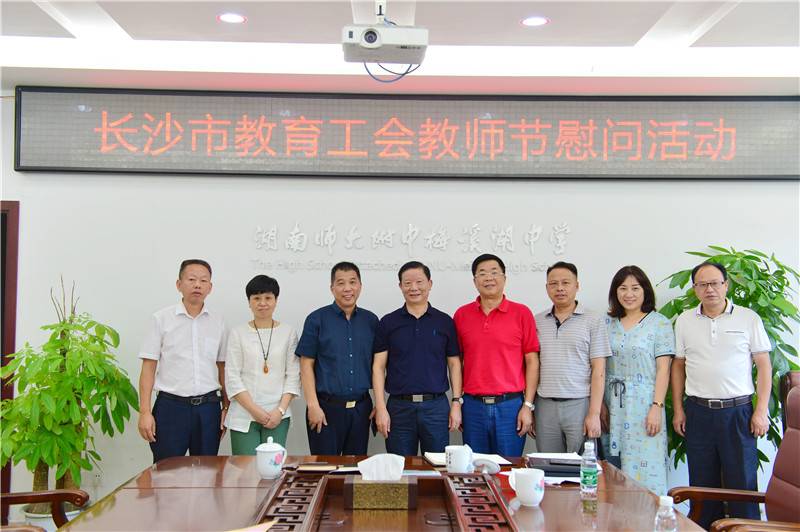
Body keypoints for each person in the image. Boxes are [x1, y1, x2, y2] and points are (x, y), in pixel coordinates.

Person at [671, 261, 772, 529]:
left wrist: (761, 411)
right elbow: (678, 365)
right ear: (695, 289)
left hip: (738, 413)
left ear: (726, 285)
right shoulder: (684, 321)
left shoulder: (748, 318)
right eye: (702, 284)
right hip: (698, 412)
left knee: (743, 487)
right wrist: (679, 409)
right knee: (702, 489)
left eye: (715, 283)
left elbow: (763, 365)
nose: (710, 289)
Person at [137, 259, 228, 462]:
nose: (197, 285)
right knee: (166, 472)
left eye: (203, 280)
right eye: (191, 279)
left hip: (208, 409)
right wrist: (145, 412)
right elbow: (148, 368)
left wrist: (226, 407)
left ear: (210, 287)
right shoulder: (161, 319)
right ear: (179, 284)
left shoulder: (219, 321)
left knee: (207, 471)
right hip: (171, 407)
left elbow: (222, 367)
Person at [372, 261, 462, 456]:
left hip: (436, 407)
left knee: (437, 465)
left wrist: (456, 402)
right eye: (407, 283)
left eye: (419, 282)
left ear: (430, 284)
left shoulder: (444, 321)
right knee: (400, 466)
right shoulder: (388, 322)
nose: (414, 288)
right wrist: (380, 407)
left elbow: (454, 364)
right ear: (400, 286)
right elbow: (378, 367)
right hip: (399, 407)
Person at [453, 254, 539, 456]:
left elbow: (532, 362)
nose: (488, 278)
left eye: (494, 272)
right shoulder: (462, 315)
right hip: (473, 407)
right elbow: (456, 362)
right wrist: (457, 402)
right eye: (482, 274)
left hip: (511, 406)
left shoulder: (522, 313)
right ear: (475, 281)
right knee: (475, 468)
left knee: (508, 466)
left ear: (504, 278)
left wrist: (528, 405)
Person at [600, 265, 673, 495]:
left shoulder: (659, 323)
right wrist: (600, 404)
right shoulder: (606, 323)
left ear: (645, 291)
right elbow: (599, 367)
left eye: (635, 288)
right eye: (623, 288)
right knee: (613, 468)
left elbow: (664, 369)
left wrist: (656, 407)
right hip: (612, 404)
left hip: (645, 404)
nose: (628, 294)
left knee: (645, 468)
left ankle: (648, 514)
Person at [296, 262, 378, 455]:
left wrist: (378, 404)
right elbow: (306, 365)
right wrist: (312, 405)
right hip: (325, 409)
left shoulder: (371, 321)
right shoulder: (316, 319)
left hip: (361, 409)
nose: (347, 288)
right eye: (341, 283)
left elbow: (378, 367)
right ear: (332, 288)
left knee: (355, 468)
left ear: (360, 286)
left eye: (352, 282)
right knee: (325, 467)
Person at [535, 261, 611, 454]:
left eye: (566, 283)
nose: (559, 288)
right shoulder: (537, 321)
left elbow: (599, 370)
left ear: (577, 286)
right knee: (548, 464)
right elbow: (532, 365)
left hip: (579, 404)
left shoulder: (593, 320)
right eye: (553, 284)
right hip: (545, 405)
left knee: (582, 465)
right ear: (546, 288)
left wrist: (594, 413)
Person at [225, 275, 300, 454]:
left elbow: (293, 375)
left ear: (276, 300)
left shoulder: (288, 332)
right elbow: (232, 376)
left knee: (273, 467)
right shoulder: (238, 333)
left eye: (268, 298)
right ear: (249, 302)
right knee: (246, 468)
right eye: (256, 298)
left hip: (278, 415)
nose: (262, 303)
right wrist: (255, 411)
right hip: (244, 414)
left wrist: (280, 410)